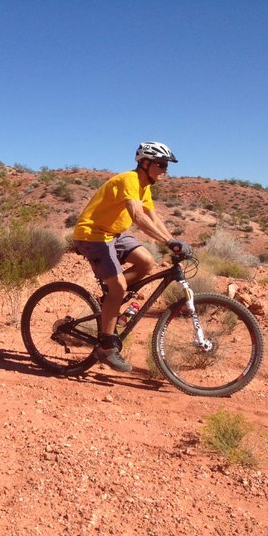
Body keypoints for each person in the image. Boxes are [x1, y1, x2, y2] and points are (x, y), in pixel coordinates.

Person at [73, 141, 191, 372]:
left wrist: (175, 241)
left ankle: (109, 299)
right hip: (91, 235)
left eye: (166, 165)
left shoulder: (145, 187)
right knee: (117, 287)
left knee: (147, 262)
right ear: (144, 163)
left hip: (113, 235)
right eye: (160, 164)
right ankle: (106, 348)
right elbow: (137, 216)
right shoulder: (129, 179)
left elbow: (153, 218)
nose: (165, 169)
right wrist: (167, 242)